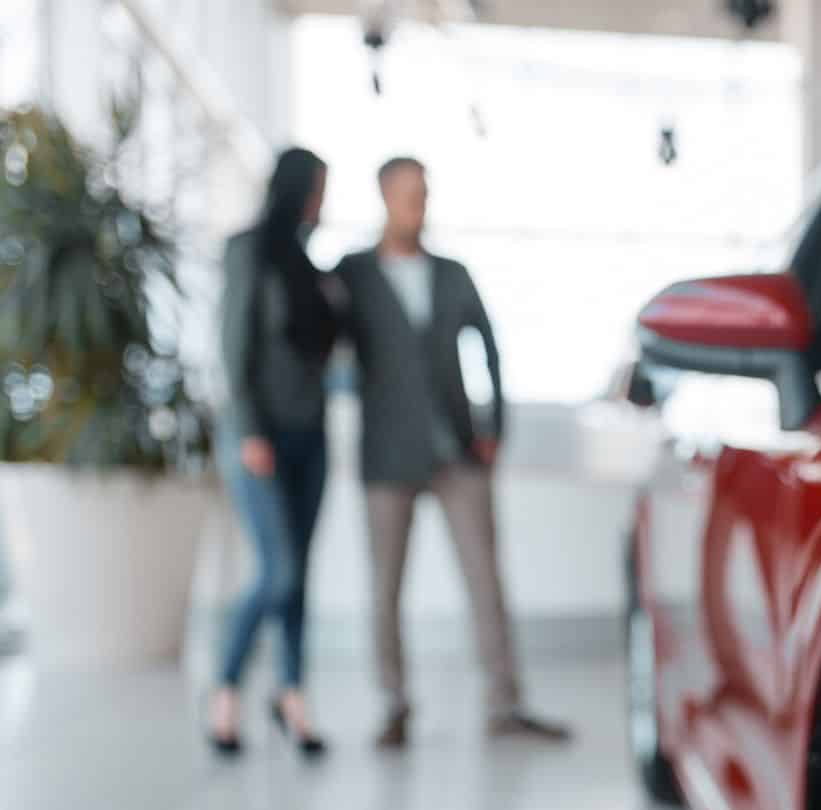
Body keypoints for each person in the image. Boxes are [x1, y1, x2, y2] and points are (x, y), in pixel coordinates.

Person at [336, 157, 568, 747]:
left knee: (486, 579)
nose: (418, 206)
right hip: (388, 456)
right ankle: (395, 704)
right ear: (384, 196)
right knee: (385, 583)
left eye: (424, 194)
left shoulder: (453, 273)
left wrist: (494, 430)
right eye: (407, 194)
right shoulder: (354, 273)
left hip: (459, 453)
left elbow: (489, 346)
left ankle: (505, 704)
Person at [209, 148, 339, 757]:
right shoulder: (248, 252)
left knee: (299, 577)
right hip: (257, 435)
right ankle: (226, 692)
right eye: (317, 190)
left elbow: (325, 356)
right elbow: (234, 349)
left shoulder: (311, 268)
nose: (322, 202)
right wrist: (252, 431)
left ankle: (291, 695)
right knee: (277, 569)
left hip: (310, 435)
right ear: (294, 189)